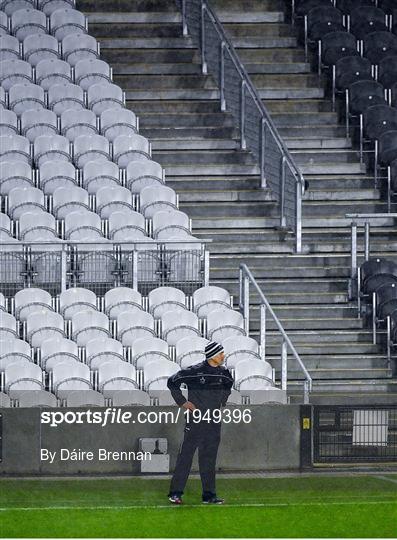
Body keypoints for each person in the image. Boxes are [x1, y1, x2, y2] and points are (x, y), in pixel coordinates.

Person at [167, 341, 234, 505]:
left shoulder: (224, 373)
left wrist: (222, 402)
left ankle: (209, 496)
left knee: (209, 458)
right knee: (186, 456)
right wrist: (182, 402)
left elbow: (228, 386)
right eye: (220, 353)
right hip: (196, 420)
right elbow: (172, 382)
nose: (223, 356)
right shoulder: (195, 371)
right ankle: (175, 493)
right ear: (212, 355)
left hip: (214, 421)